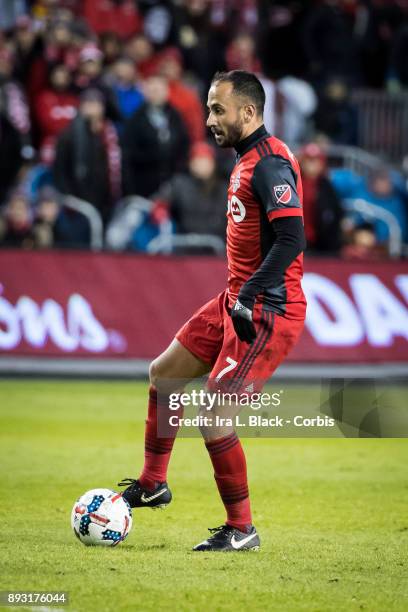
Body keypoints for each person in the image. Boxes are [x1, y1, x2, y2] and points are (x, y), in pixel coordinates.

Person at [118, 70, 306, 552]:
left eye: (218, 110)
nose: (209, 120)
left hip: (266, 309)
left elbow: (292, 239)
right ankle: (153, 482)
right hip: (235, 299)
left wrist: (248, 295)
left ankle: (242, 530)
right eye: (208, 109)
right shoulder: (246, 159)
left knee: (215, 416)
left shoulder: (268, 165)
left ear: (248, 112)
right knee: (165, 374)